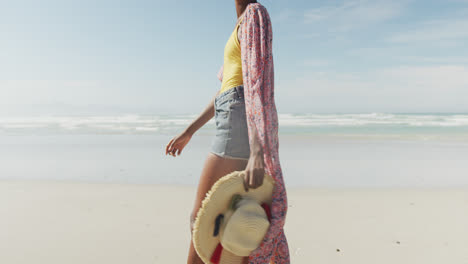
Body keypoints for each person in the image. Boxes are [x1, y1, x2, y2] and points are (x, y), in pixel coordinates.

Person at [165, 1, 290, 263]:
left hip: (241, 118)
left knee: (203, 218)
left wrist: (257, 150)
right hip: (232, 113)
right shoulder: (240, 23)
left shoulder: (255, 15)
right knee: (232, 216)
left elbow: (258, 80)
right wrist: (190, 131)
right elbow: (224, 90)